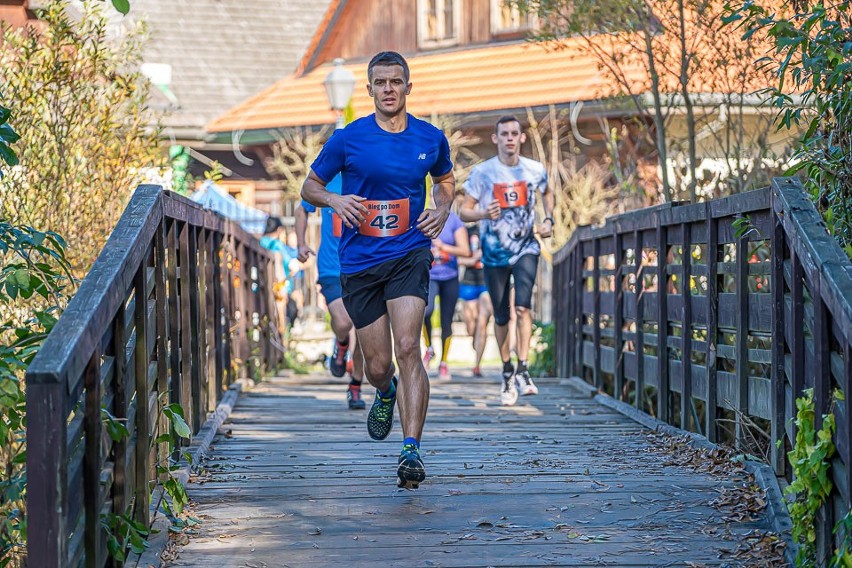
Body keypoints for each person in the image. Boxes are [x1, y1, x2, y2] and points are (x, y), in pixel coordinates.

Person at [301, 51, 454, 489]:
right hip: (360, 262)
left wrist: (441, 210)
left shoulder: (430, 137)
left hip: (409, 252)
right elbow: (308, 186)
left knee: (408, 346)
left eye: (396, 81)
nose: (389, 88)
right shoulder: (348, 139)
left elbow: (445, 181)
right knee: (379, 365)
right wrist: (334, 199)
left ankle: (411, 450)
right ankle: (384, 393)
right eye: (381, 82)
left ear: (409, 87)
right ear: (369, 90)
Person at [460, 115, 555, 406]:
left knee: (523, 307)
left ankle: (524, 369)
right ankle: (506, 371)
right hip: (494, 253)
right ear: (496, 138)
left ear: (522, 138)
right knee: (501, 316)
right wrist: (483, 215)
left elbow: (548, 192)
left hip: (526, 247)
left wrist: (549, 219)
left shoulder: (534, 169)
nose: (510, 138)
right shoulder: (483, 173)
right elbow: (464, 212)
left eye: (515, 133)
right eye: (505, 134)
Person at [295, 174, 367, 409]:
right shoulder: (328, 180)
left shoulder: (369, 175)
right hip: (331, 265)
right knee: (344, 321)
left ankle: (355, 386)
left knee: (365, 334)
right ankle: (341, 342)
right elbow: (301, 209)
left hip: (364, 266)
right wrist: (301, 243)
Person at [422, 210, 470, 380]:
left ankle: (444, 362)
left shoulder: (454, 221)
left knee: (446, 321)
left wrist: (444, 247)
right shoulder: (425, 215)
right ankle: (429, 348)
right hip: (430, 275)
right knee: (425, 311)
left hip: (450, 276)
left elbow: (465, 251)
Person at [457, 224, 491, 377]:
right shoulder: (463, 230)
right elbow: (456, 259)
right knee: (471, 326)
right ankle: (475, 340)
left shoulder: (490, 228)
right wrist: (472, 260)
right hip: (468, 283)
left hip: (486, 283)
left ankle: (477, 365)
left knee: (482, 323)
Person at [259, 216, 300, 332]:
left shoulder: (260, 242)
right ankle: (282, 337)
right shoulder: (277, 244)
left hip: (261, 286)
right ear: (279, 230)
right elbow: (291, 264)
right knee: (288, 313)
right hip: (279, 287)